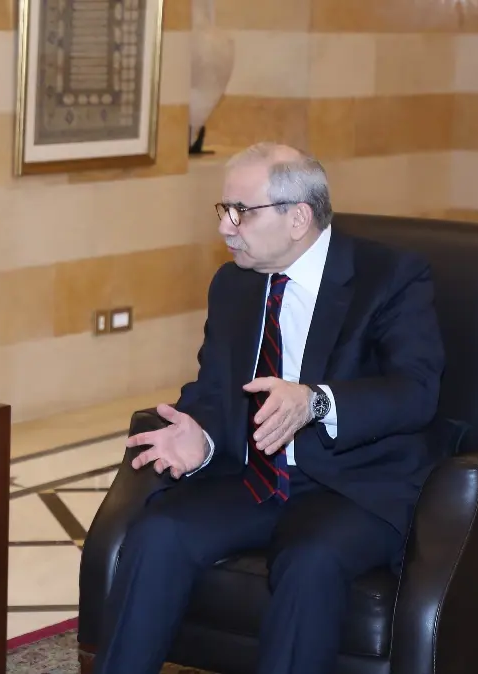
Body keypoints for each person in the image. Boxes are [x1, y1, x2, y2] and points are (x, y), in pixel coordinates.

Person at [89, 143, 444, 674]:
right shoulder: (233, 284)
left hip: (354, 484)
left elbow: (416, 391)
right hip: (257, 476)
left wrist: (316, 401)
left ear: (298, 218)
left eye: (240, 211)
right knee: (159, 531)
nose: (225, 227)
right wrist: (203, 437)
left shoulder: (390, 277)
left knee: (308, 561)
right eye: (223, 210)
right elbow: (215, 389)